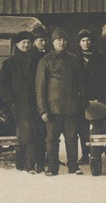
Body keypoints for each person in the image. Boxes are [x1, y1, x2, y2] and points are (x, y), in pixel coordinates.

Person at [35, 27, 84, 176]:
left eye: (63, 40)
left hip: (71, 106)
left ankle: (73, 167)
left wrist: (80, 103)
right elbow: (40, 87)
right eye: (58, 40)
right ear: (53, 42)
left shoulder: (74, 59)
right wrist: (43, 110)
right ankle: (52, 167)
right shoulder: (45, 61)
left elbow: (81, 84)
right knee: (51, 139)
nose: (61, 43)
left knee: (71, 137)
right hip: (53, 108)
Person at [0, 31, 46, 174]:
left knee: (39, 131)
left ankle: (41, 163)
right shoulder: (9, 63)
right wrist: (11, 101)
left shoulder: (39, 61)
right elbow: (2, 85)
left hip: (36, 102)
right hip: (18, 104)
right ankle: (29, 165)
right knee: (26, 131)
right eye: (23, 42)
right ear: (17, 45)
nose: (26, 45)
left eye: (28, 42)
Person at [76, 29, 106, 165]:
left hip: (101, 96)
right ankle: (85, 153)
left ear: (92, 42)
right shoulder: (75, 60)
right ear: (79, 43)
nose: (86, 43)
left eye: (88, 40)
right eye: (83, 41)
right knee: (83, 127)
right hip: (82, 98)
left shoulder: (102, 59)